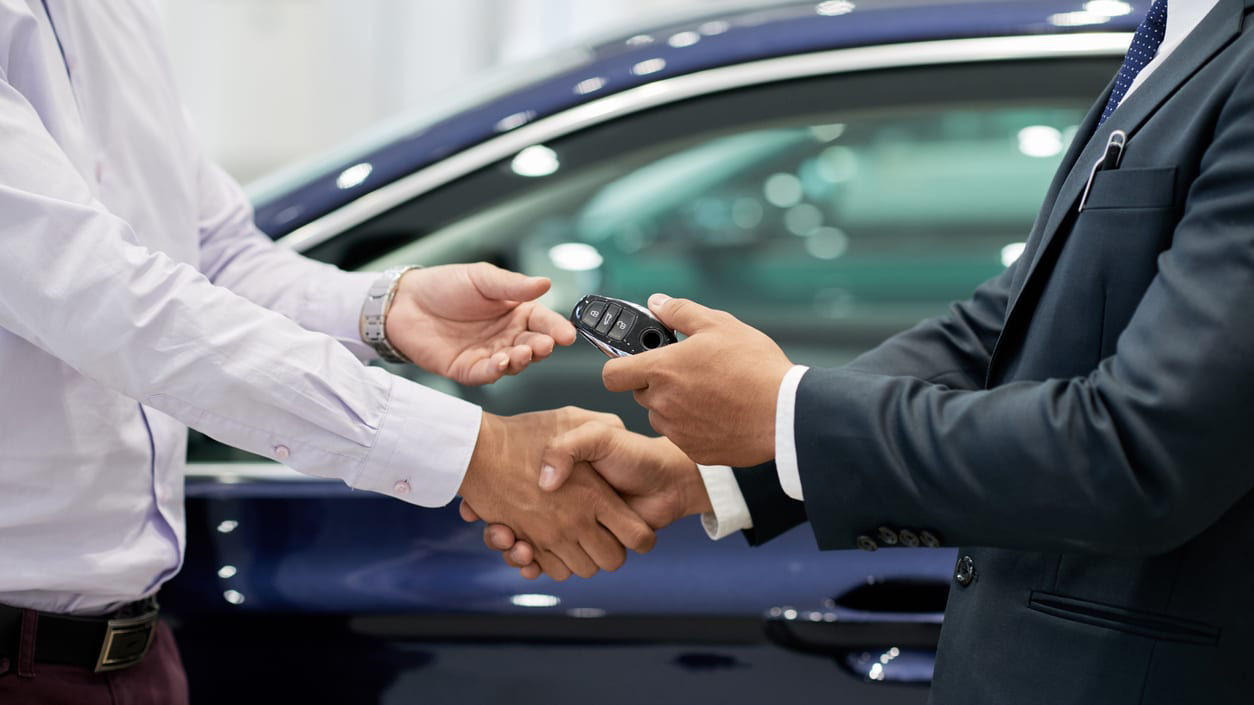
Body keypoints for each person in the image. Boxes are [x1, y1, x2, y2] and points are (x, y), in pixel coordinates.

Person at [473, 0, 1254, 702]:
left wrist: (786, 412)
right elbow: (1009, 327)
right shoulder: (1179, 32)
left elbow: (1139, 449)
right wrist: (715, 468)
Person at [0, 2, 653, 702]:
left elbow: (214, 255)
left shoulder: (113, 14)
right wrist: (477, 452)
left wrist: (384, 310)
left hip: (137, 654)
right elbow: (107, 299)